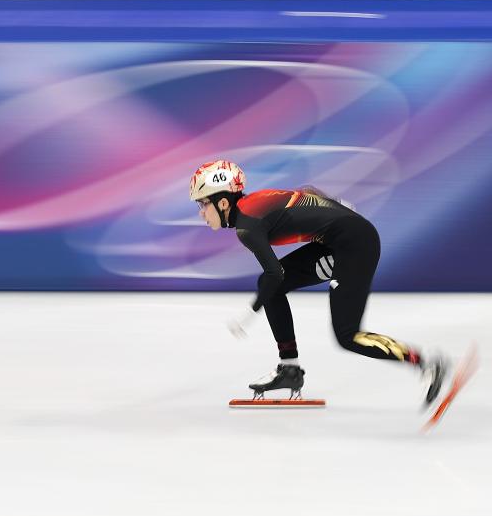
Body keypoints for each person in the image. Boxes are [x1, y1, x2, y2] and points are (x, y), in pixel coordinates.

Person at [189, 159, 447, 404]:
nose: (201, 213)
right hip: (340, 241)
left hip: (354, 245)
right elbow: (307, 192)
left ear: (223, 203)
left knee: (347, 335)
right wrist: (338, 209)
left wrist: (249, 312)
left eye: (203, 204)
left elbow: (274, 272)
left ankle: (426, 363)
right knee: (271, 288)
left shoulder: (247, 226)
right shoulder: (255, 202)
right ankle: (289, 369)